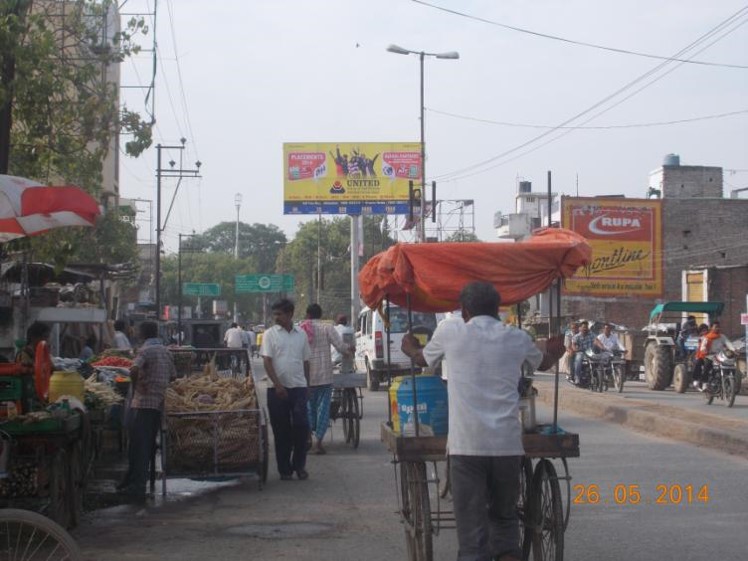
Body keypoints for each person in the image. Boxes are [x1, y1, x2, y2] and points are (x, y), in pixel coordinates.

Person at [401, 281, 563, 561]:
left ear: (464, 311)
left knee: (472, 533)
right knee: (505, 520)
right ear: (497, 309)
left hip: (468, 447)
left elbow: (421, 358)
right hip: (507, 447)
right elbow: (545, 362)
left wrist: (409, 347)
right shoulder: (516, 337)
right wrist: (555, 350)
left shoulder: (450, 331)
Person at [117, 321, 176, 502]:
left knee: (139, 447)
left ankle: (137, 488)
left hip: (143, 404)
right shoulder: (166, 352)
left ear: (142, 333)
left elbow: (134, 368)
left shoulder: (145, 351)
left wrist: (137, 386)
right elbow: (173, 375)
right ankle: (134, 481)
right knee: (148, 445)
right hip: (159, 404)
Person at [260, 299, 312, 481]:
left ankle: (299, 466)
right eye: (274, 314)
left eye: (279, 314)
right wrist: (278, 385)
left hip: (298, 387)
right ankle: (284, 469)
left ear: (290, 314)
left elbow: (306, 361)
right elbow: (267, 361)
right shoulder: (269, 334)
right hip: (276, 390)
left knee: (301, 429)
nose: (276, 318)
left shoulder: (301, 335)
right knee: (281, 431)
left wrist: (307, 385)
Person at [302, 304, 351, 455]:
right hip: (324, 376)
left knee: (309, 408)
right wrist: (349, 351)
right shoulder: (327, 327)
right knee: (323, 410)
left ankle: (308, 439)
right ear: (321, 315)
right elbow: (340, 346)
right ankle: (318, 443)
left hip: (307, 376)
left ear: (308, 315)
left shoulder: (301, 329)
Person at [692, 321, 735, 390]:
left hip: (720, 355)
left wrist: (734, 350)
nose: (717, 328)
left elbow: (728, 343)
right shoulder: (707, 337)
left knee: (730, 363)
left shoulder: (722, 336)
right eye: (716, 327)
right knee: (708, 365)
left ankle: (729, 381)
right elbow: (703, 347)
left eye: (718, 327)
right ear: (711, 328)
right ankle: (704, 382)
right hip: (710, 355)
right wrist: (705, 351)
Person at [571, 320, 597, 385]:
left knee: (598, 358)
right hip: (581, 352)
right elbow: (573, 345)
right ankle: (577, 377)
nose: (585, 328)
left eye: (586, 327)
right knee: (578, 359)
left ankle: (599, 375)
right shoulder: (577, 336)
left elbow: (597, 341)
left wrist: (602, 347)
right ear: (580, 328)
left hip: (590, 352)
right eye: (584, 327)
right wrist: (575, 349)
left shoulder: (592, 334)